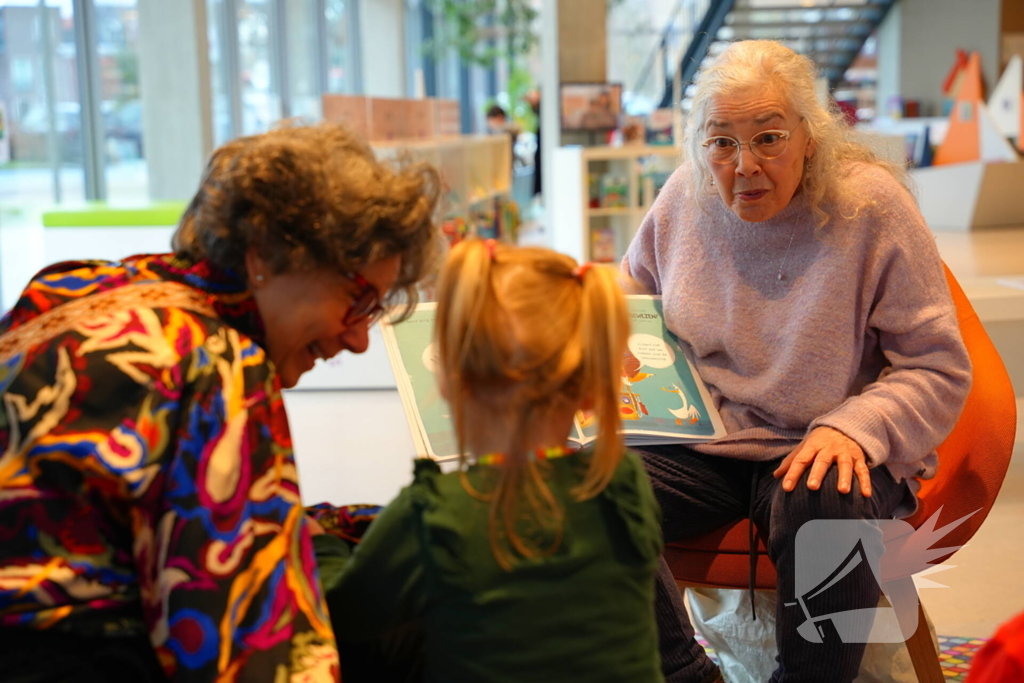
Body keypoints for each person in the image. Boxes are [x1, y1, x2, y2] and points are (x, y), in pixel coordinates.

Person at [0, 122, 441, 682]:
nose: (357, 340)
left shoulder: (72, 288)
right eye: (358, 301)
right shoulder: (214, 362)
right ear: (267, 255)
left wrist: (353, 526)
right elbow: (248, 648)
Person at [620, 40, 972, 683]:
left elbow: (937, 366)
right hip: (712, 444)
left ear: (811, 135)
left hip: (828, 439)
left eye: (769, 137)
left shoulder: (872, 206)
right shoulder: (682, 199)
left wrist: (855, 428)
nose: (744, 165)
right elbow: (631, 303)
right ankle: (683, 675)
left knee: (828, 494)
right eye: (720, 142)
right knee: (590, 484)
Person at [316, 240, 665, 682]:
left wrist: (320, 544)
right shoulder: (624, 482)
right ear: (590, 387)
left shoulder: (435, 513)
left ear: (447, 378)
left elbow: (344, 616)